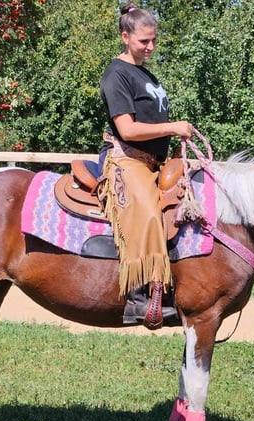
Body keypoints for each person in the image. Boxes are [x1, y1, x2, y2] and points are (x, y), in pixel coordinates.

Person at [98, 3, 193, 330]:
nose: (150, 47)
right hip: (126, 160)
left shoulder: (146, 73)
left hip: (155, 163)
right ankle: (143, 297)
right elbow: (128, 129)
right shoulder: (116, 74)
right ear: (125, 36)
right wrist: (173, 128)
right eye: (143, 41)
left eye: (153, 41)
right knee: (151, 214)